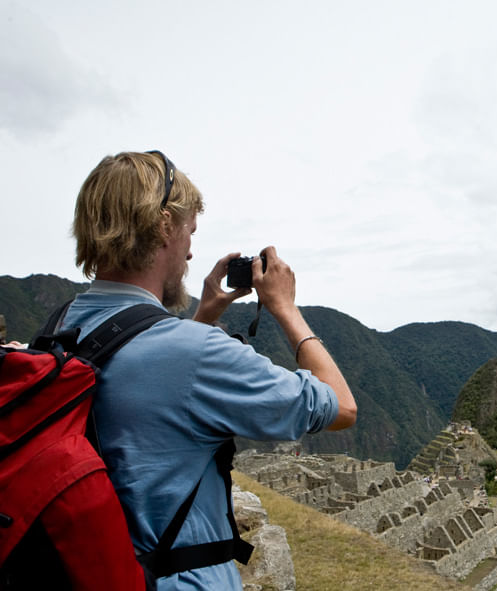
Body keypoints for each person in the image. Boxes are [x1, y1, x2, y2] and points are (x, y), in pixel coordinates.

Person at [61, 151, 357, 590]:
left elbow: (142, 400)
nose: (191, 249)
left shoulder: (58, 329)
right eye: (188, 231)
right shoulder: (196, 354)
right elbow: (341, 407)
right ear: (164, 227)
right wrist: (285, 308)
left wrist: (196, 321)